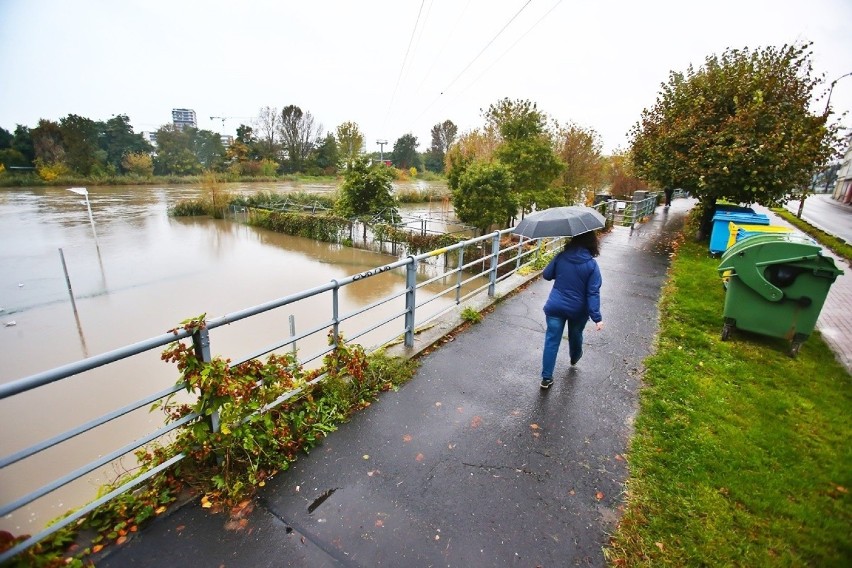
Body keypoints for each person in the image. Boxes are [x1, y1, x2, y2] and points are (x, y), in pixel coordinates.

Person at [539, 230, 604, 389]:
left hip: (555, 306)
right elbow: (593, 292)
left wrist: (561, 272)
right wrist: (597, 317)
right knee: (575, 335)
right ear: (591, 243)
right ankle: (574, 357)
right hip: (578, 310)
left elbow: (547, 275)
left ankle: (546, 378)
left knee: (551, 341)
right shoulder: (591, 265)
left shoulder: (561, 256)